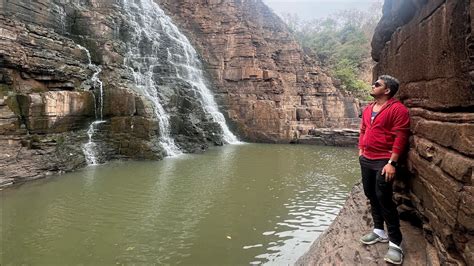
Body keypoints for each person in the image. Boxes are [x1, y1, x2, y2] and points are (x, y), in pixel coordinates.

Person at [358, 75, 410, 265]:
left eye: (377, 84)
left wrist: (392, 163)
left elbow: (401, 136)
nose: (373, 85)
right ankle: (379, 231)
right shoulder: (369, 108)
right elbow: (363, 129)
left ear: (387, 90)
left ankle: (395, 243)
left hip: (383, 160)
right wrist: (361, 150)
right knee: (370, 193)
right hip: (367, 159)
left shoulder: (398, 109)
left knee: (384, 198)